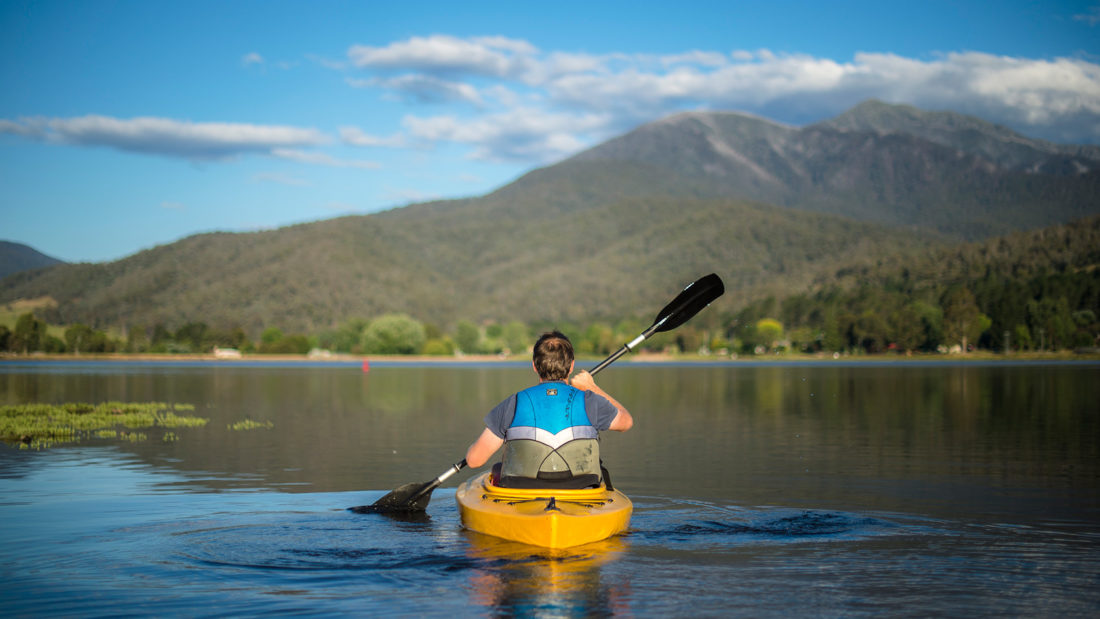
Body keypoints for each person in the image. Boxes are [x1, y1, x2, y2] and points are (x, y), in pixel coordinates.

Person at [465, 330, 633, 488]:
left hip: (522, 490)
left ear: (534, 366)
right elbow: (626, 422)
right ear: (572, 365)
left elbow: (474, 461)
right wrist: (592, 387)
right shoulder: (590, 400)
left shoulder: (513, 403)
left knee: (497, 469)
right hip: (581, 489)